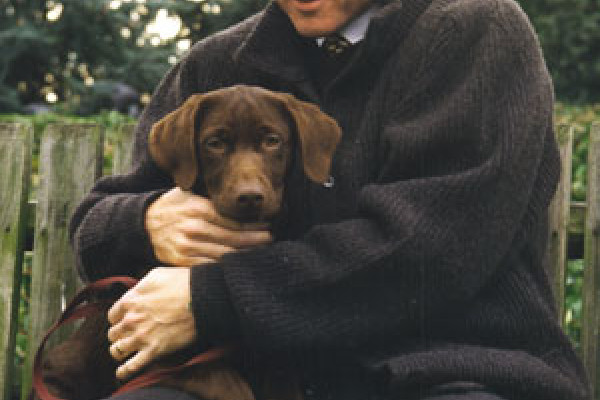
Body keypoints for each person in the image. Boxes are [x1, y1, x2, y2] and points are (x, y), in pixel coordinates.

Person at [69, 0, 591, 398]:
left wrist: (213, 299)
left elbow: (429, 253)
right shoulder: (216, 64)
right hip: (243, 377)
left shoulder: (474, 32)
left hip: (445, 372)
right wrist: (144, 221)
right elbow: (97, 226)